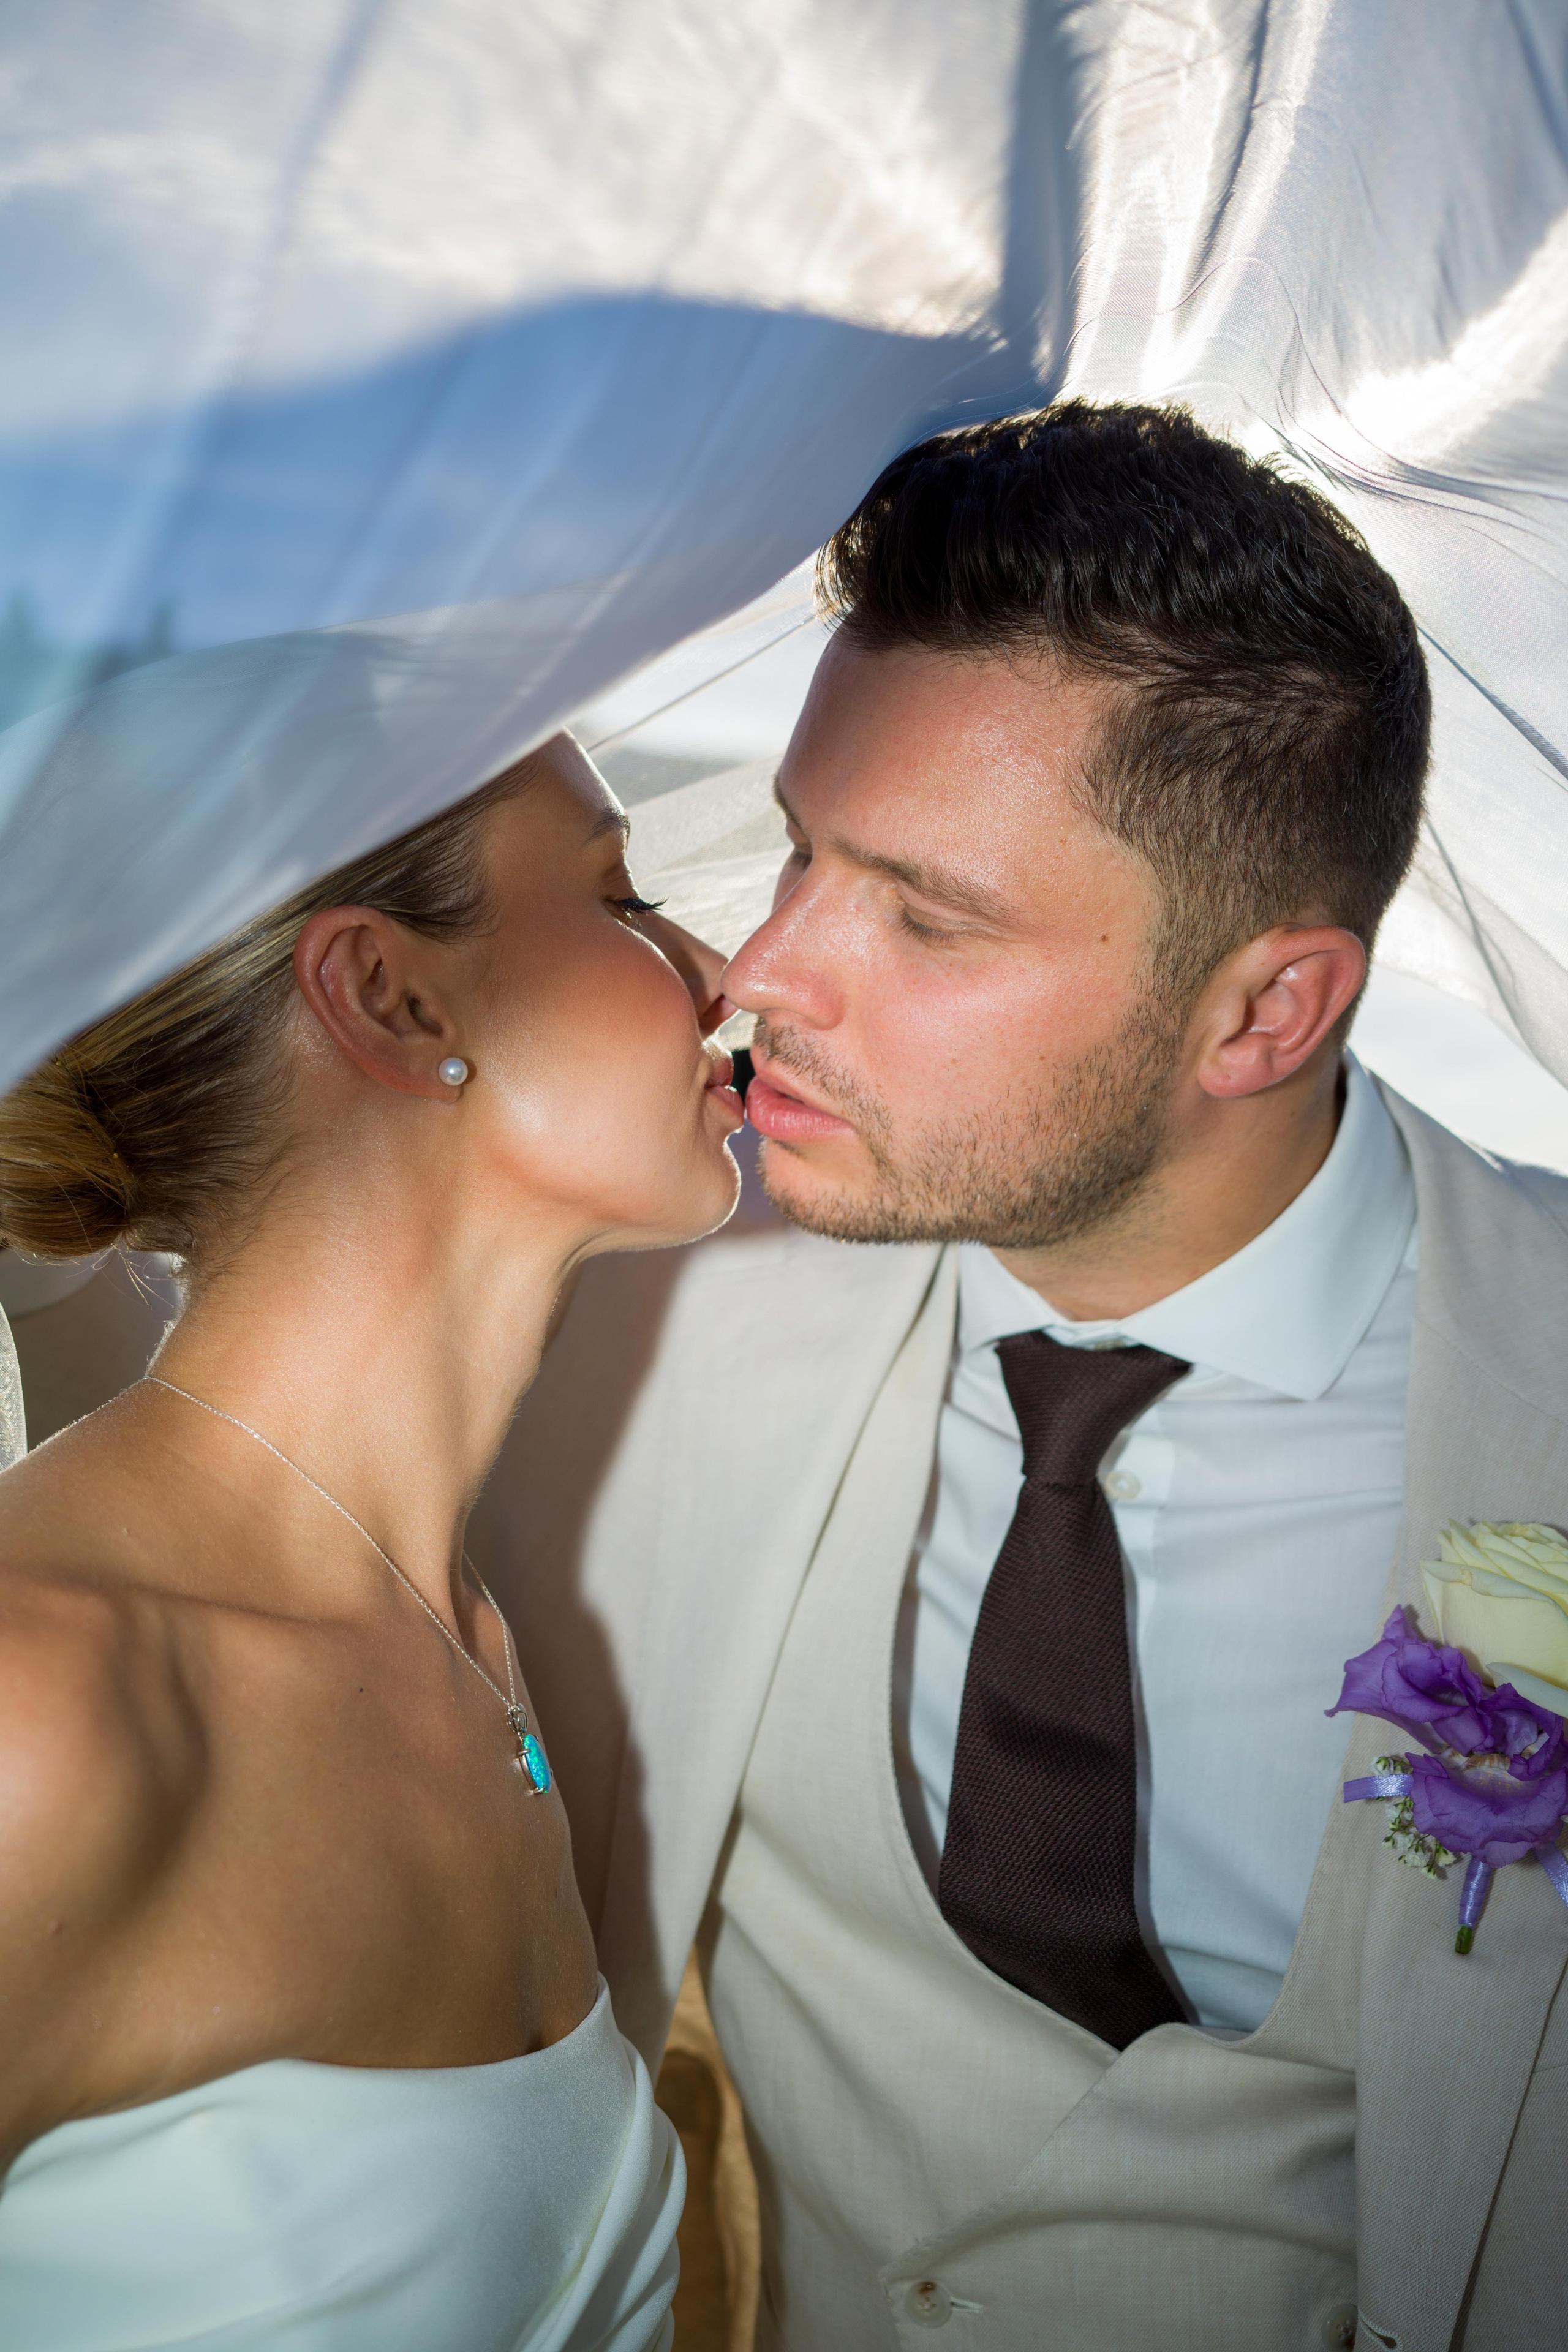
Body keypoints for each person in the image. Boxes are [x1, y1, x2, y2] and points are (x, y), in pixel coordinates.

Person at [475, 404, 1568, 2352]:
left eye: (926, 914)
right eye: (800, 853)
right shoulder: (624, 1307)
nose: (761, 971)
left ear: (1267, 1009)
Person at [0, 732, 745, 2348]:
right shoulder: (38, 1701)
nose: (720, 969)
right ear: (390, 1000)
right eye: (621, 896)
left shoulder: (469, 1638)